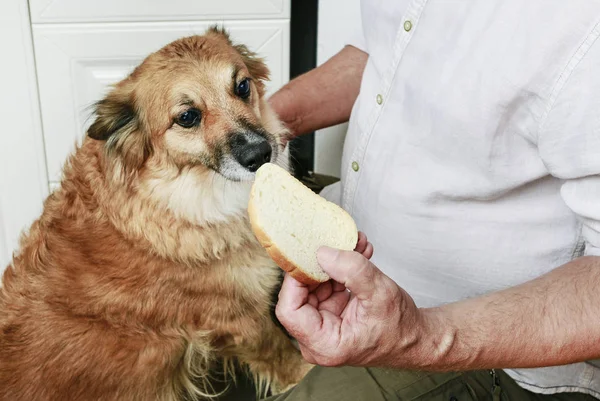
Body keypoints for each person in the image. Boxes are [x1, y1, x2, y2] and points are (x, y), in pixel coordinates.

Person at [265, 1, 600, 400]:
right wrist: (257, 128)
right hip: (355, 262)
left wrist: (421, 338)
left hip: (486, 349)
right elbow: (386, 50)